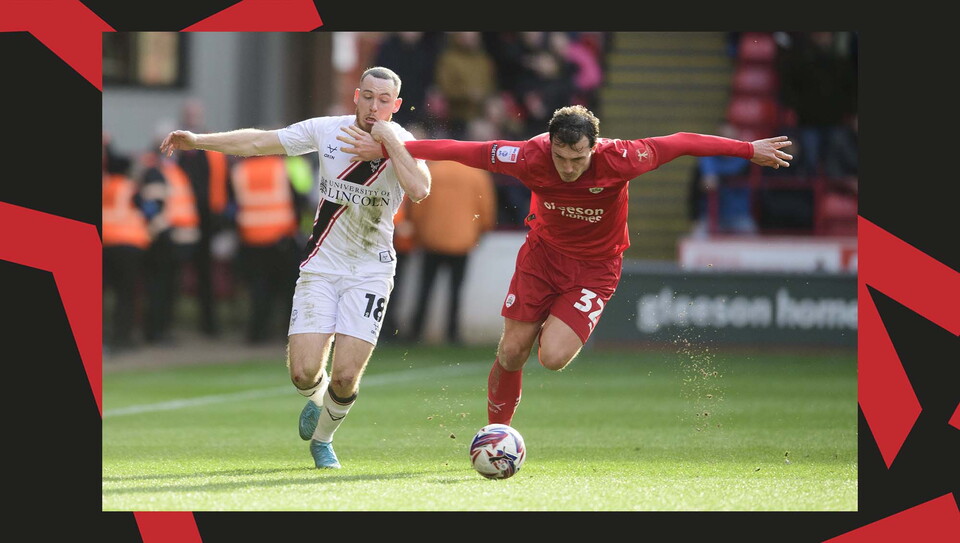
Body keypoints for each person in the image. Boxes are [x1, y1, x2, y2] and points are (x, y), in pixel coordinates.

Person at [338, 104, 791, 427]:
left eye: (578, 158)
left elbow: (682, 142)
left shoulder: (622, 158)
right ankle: (498, 431)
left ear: (595, 147)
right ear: (550, 145)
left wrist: (747, 150)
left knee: (552, 358)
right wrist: (390, 146)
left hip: (596, 268)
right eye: (560, 156)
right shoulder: (529, 156)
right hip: (542, 258)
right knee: (512, 351)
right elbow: (463, 149)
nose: (568, 167)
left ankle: (542, 345)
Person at [160, 67, 431, 469]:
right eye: (368, 96)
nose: (374, 106)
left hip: (371, 271)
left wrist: (387, 138)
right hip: (321, 265)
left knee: (344, 378)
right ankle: (318, 401)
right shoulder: (326, 130)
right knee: (304, 373)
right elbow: (257, 142)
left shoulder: (402, 141)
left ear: (396, 105)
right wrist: (199, 140)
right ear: (355, 96)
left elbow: (420, 188)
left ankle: (323, 441)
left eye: (384, 100)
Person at [407, 150, 497, 344]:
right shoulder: (477, 174)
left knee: (424, 288)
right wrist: (479, 232)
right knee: (456, 291)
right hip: (463, 241)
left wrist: (419, 232)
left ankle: (415, 332)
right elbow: (486, 209)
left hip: (431, 239)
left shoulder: (433, 171)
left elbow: (417, 206)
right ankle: (453, 333)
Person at [102, 133, 151, 351]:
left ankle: (103, 339)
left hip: (104, 245)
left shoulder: (104, 186)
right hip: (129, 246)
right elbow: (148, 210)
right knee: (126, 296)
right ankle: (122, 339)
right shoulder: (130, 187)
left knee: (102, 296)